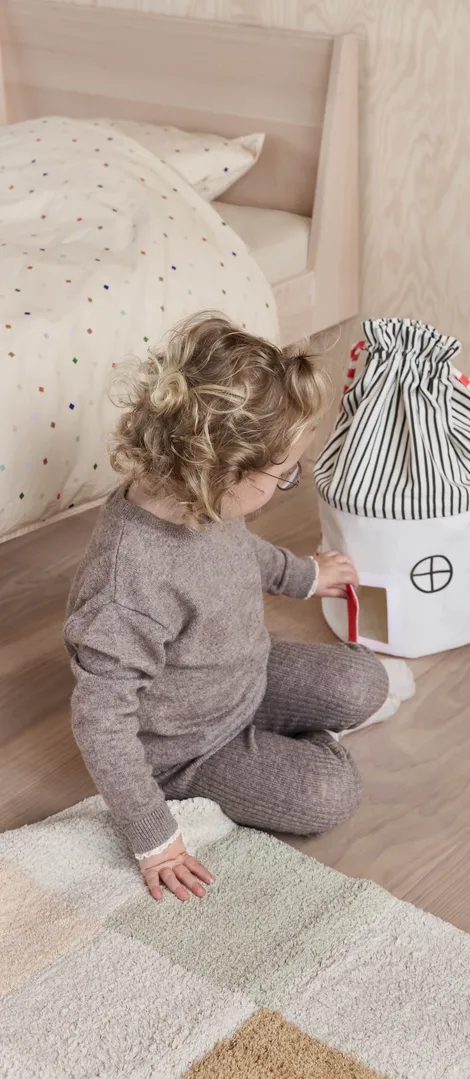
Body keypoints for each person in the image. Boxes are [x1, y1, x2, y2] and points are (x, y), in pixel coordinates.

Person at [64, 313, 414, 903]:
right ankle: (286, 751)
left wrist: (305, 576)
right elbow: (100, 721)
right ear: (223, 472)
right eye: (284, 475)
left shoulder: (201, 498)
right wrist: (154, 838)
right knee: (328, 795)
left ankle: (285, 734)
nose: (288, 483)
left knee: (366, 680)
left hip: (247, 675)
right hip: (188, 749)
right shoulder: (126, 587)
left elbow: (238, 551)